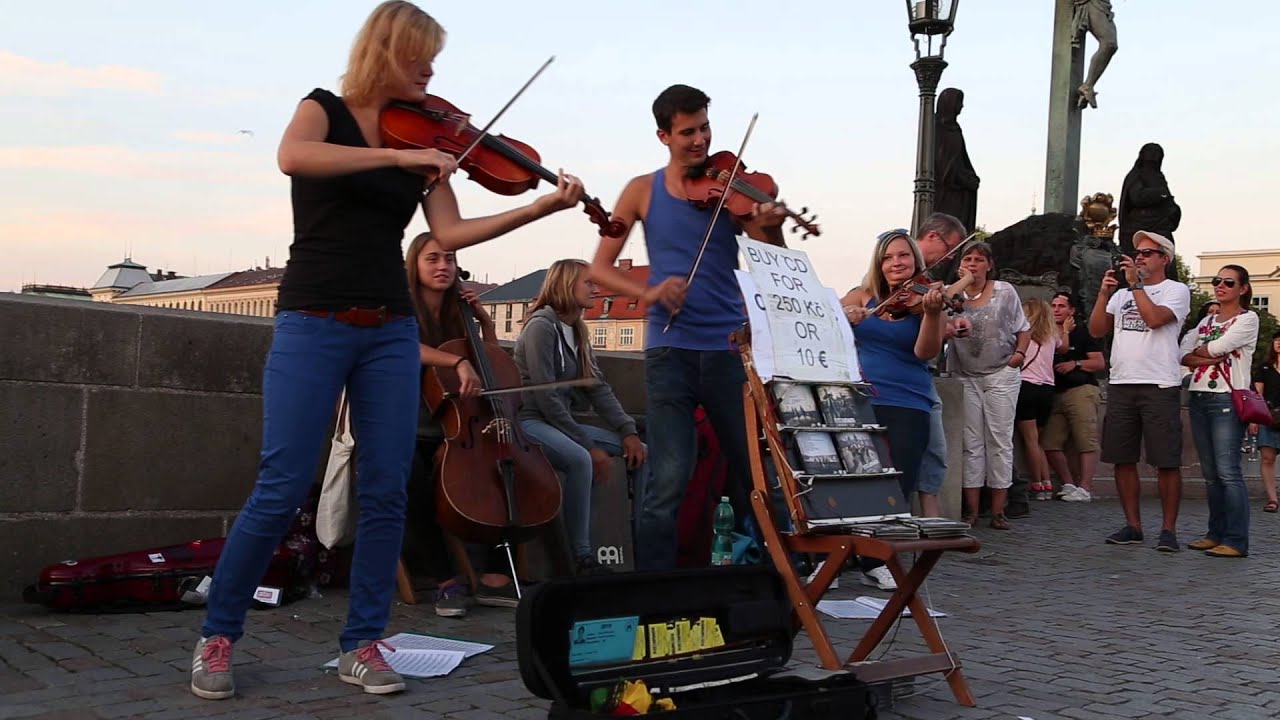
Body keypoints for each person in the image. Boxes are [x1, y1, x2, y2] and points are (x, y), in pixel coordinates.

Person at [191, 2, 585, 701]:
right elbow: (292, 156)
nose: (431, 72)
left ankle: (362, 643)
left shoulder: (430, 144)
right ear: (386, 50)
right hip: (312, 319)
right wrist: (400, 155)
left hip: (390, 330)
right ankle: (218, 636)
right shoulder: (325, 110)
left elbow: (453, 234)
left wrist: (539, 209)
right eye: (419, 56)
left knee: (384, 490)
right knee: (281, 486)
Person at [589, 83, 787, 571]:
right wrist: (649, 293)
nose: (699, 141)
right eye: (687, 132)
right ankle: (654, 587)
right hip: (669, 349)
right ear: (663, 135)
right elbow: (599, 267)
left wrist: (772, 222)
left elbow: (774, 261)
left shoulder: (732, 190)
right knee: (668, 477)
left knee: (752, 471)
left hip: (725, 348)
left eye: (704, 128)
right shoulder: (641, 190)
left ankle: (778, 576)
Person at [403, 232, 524, 619]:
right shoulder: (403, 307)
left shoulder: (460, 312)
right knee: (411, 481)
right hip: (412, 422)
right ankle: (443, 579)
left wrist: (485, 322)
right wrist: (453, 361)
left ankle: (492, 573)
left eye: (450, 259)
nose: (443, 266)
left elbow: (489, 359)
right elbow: (402, 345)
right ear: (415, 266)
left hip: (459, 425)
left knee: (500, 469)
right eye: (433, 259)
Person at [513, 259, 649, 574]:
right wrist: (588, 444)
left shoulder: (577, 331)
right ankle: (581, 557)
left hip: (558, 424)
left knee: (643, 452)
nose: (597, 289)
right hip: (530, 423)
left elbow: (597, 388)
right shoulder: (540, 327)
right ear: (565, 284)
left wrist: (628, 431)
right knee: (580, 459)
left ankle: (642, 542)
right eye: (588, 283)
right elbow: (546, 397)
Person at [841, 230, 949, 589]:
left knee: (896, 485)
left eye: (903, 256)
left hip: (908, 400)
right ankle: (838, 556)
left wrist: (932, 314)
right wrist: (845, 316)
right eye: (888, 257)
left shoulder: (925, 299)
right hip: (860, 399)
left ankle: (877, 557)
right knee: (852, 480)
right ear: (878, 263)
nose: (896, 263)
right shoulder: (862, 295)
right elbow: (822, 322)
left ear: (916, 261)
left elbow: (925, 352)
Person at [1088, 231, 1190, 551]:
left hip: (1159, 382)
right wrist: (1104, 295)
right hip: (1122, 382)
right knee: (1122, 457)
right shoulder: (1121, 294)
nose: (1141, 257)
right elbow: (1096, 330)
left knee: (1166, 460)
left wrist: (1135, 286)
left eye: (1148, 253)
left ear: (1165, 259)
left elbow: (1155, 319)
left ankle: (1168, 530)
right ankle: (1133, 525)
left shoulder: (1177, 290)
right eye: (1138, 252)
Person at [946, 242, 1030, 530]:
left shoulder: (1005, 291)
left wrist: (1017, 357)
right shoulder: (953, 293)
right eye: (967, 259)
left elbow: (1023, 328)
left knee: (999, 441)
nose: (973, 264)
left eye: (978, 260)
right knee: (972, 444)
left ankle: (998, 511)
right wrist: (962, 282)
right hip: (965, 374)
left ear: (989, 264)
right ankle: (971, 510)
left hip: (1000, 373)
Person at [1180, 265, 1259, 557]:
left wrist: (1199, 355)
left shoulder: (1248, 319)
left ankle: (1237, 539)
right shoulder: (1206, 322)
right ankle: (1215, 533)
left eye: (1228, 282)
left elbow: (1218, 348)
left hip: (1226, 398)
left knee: (1228, 472)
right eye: (1217, 281)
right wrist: (1202, 356)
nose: (1220, 286)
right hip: (1199, 396)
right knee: (1211, 474)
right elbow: (1182, 352)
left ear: (1243, 288)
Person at [913, 212, 968, 518]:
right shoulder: (901, 274)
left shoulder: (927, 284)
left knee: (936, 449)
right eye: (949, 248)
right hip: (893, 377)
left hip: (920, 376)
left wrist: (944, 322)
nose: (949, 257)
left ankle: (931, 513)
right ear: (933, 236)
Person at [1042, 292, 1106, 503]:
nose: (1056, 309)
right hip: (1055, 392)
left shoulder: (1082, 334)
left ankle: (1085, 488)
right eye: (1053, 305)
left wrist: (1075, 364)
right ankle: (1068, 483)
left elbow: (1099, 363)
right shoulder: (1047, 333)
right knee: (1050, 442)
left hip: (1081, 389)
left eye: (1061, 306)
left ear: (1071, 311)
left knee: (1085, 439)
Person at [1015, 298, 1063, 501]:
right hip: (1047, 389)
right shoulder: (1052, 337)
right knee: (1039, 440)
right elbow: (1064, 345)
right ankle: (1047, 483)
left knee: (1030, 441)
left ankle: (1037, 483)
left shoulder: (1025, 337)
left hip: (1027, 386)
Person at [1253, 332, 1280, 514]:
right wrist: (1254, 419)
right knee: (1268, 459)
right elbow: (1257, 396)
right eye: (1277, 340)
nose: (1279, 343)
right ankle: (1272, 498)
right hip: (1269, 416)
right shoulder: (1264, 367)